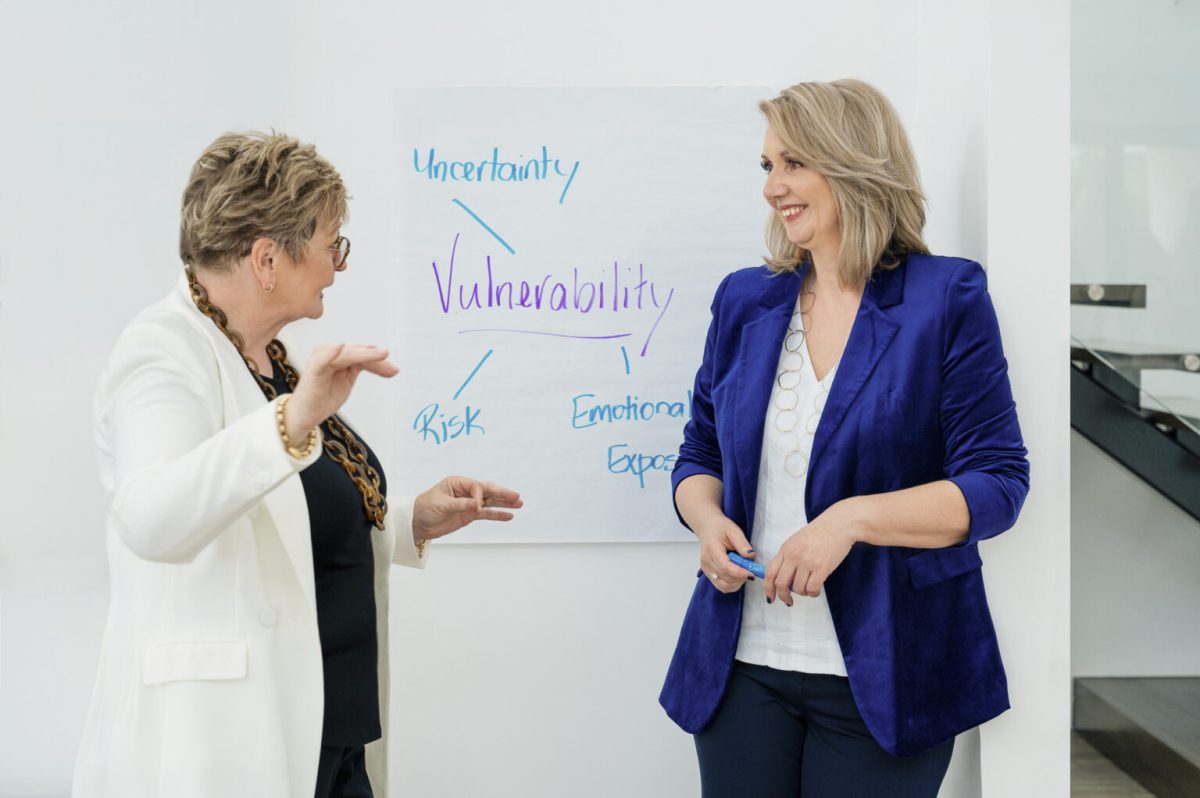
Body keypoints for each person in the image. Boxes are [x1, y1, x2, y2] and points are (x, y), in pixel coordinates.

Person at [72, 132, 522, 798]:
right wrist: (290, 420)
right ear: (266, 258)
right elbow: (152, 519)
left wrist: (411, 522)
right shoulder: (160, 353)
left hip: (331, 736)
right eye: (331, 245)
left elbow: (290, 523)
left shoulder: (273, 364)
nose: (338, 267)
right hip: (231, 740)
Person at [660, 79, 1030, 796]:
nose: (774, 186)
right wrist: (705, 521)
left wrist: (852, 521)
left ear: (853, 162)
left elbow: (998, 484)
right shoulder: (745, 300)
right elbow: (699, 454)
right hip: (742, 671)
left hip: (893, 671)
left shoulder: (944, 298)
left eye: (794, 162)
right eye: (767, 166)